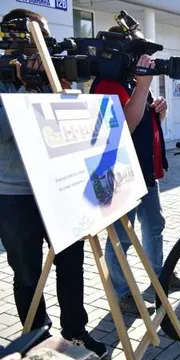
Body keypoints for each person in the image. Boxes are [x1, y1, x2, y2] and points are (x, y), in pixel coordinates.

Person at [0, 8, 106, 358]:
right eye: (38, 39)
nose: (46, 45)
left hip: (58, 186)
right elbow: (4, 132)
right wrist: (24, 89)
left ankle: (74, 330)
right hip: (14, 192)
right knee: (27, 271)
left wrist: (52, 85)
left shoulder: (49, 71)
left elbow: (67, 125)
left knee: (71, 261)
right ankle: (37, 337)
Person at [91, 25, 180, 317]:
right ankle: (122, 294)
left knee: (154, 225)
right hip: (119, 176)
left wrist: (159, 109)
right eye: (139, 56)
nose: (144, 62)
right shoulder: (107, 84)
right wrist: (145, 86)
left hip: (143, 173)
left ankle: (160, 277)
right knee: (121, 238)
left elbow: (141, 116)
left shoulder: (131, 83)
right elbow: (125, 128)